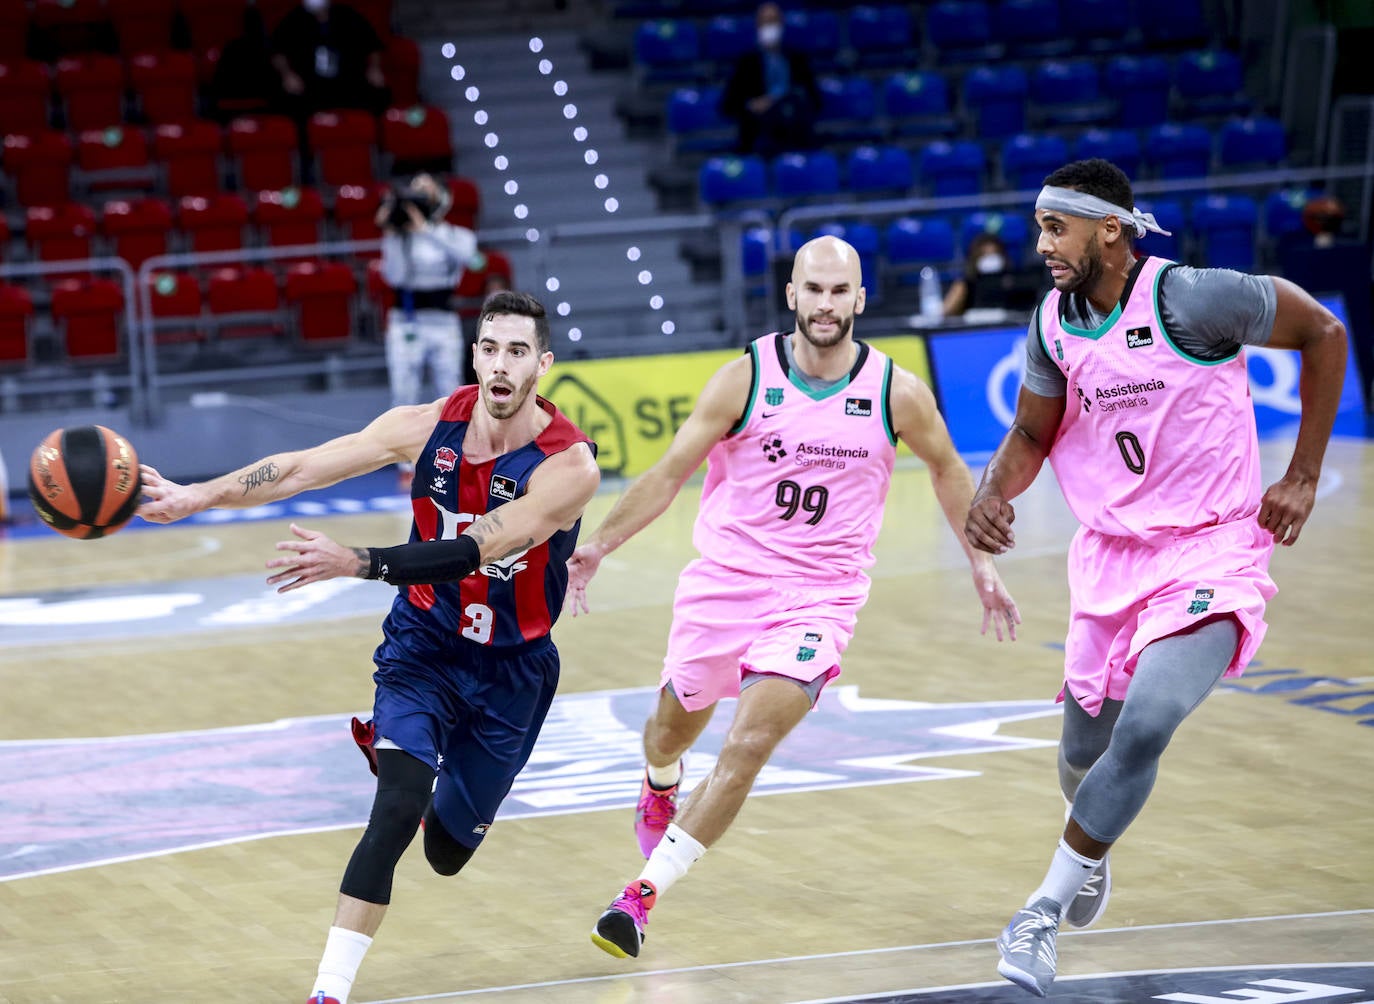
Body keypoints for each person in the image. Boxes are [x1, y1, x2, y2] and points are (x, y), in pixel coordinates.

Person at [134, 291, 601, 1004]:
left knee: (445, 853)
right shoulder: (424, 427)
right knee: (396, 809)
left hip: (514, 672)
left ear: (544, 364)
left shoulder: (568, 467)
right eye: (489, 348)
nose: (500, 367)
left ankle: (413, 763)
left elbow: (477, 549)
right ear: (473, 354)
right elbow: (299, 468)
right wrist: (198, 496)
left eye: (516, 352)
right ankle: (329, 991)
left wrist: (360, 562)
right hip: (423, 646)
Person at [565, 235, 1022, 960]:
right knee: (671, 730)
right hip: (726, 583)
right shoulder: (743, 377)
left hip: (820, 598)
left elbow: (946, 470)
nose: (826, 304)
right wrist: (600, 543)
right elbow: (669, 471)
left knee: (748, 743)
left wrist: (981, 561)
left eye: (840, 292)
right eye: (814, 290)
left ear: (860, 300)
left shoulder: (896, 391)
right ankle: (659, 784)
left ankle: (640, 898)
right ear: (792, 295)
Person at [963, 159, 1348, 998]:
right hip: (1111, 559)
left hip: (1213, 549)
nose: (1041, 246)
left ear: (1108, 229)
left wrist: (1303, 475)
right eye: (1038, 228)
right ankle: (1090, 843)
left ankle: (1039, 912)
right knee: (1079, 757)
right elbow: (1032, 433)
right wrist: (993, 492)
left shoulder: (1193, 298)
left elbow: (1324, 331)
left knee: (1148, 726)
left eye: (1054, 228)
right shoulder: (1053, 324)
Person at [374, 173, 480, 486]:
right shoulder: (399, 236)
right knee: (404, 392)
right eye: (414, 191)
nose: (419, 197)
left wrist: (425, 229)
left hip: (443, 320)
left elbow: (468, 259)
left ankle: (457, 458)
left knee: (450, 391)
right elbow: (394, 276)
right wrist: (397, 231)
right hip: (406, 318)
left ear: (441, 199)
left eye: (426, 191)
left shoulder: (458, 235)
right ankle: (407, 464)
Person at [718, 2, 821, 156]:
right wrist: (752, 104)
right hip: (759, 128)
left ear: (781, 24)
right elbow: (728, 104)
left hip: (795, 124)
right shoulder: (746, 63)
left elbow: (815, 99)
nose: (770, 27)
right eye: (765, 22)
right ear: (757, 26)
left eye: (773, 21)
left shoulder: (798, 59)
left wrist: (782, 99)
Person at [271, 0, 388, 121]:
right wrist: (287, 74)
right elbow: (278, 52)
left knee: (379, 95)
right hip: (309, 83)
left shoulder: (348, 15)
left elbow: (372, 45)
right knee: (288, 100)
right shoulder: (293, 19)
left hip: (348, 80)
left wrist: (374, 68)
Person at [940, 231, 1044, 319]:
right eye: (985, 255)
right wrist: (960, 291)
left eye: (994, 254)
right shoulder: (966, 284)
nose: (990, 259)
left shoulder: (1015, 282)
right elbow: (945, 313)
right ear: (975, 258)